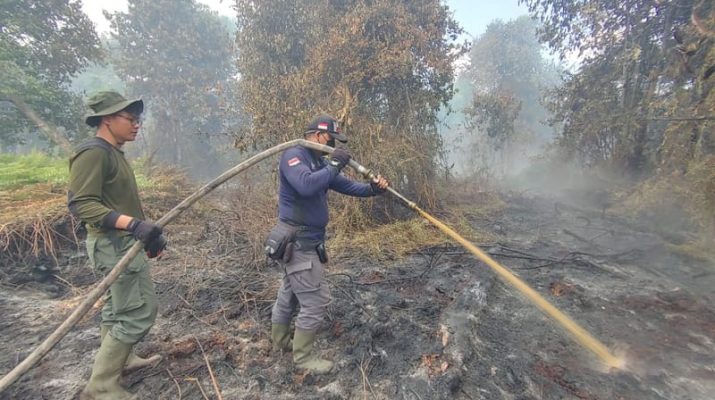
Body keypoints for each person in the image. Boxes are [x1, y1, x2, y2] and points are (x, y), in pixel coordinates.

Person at [270, 114, 389, 374]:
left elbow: (348, 186)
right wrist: (335, 163)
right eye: (331, 139)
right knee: (315, 300)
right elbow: (306, 186)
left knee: (289, 293)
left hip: (305, 242)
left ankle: (281, 342)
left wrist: (373, 189)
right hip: (297, 242)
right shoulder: (294, 156)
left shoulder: (318, 162)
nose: (333, 144)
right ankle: (302, 358)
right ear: (317, 135)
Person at [68, 91, 166, 400]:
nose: (137, 126)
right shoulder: (93, 153)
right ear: (107, 119)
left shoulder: (114, 154)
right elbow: (82, 204)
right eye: (131, 119)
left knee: (116, 307)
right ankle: (101, 385)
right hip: (112, 244)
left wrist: (147, 233)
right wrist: (133, 226)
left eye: (139, 120)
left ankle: (122, 360)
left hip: (123, 241)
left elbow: (122, 203)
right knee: (138, 312)